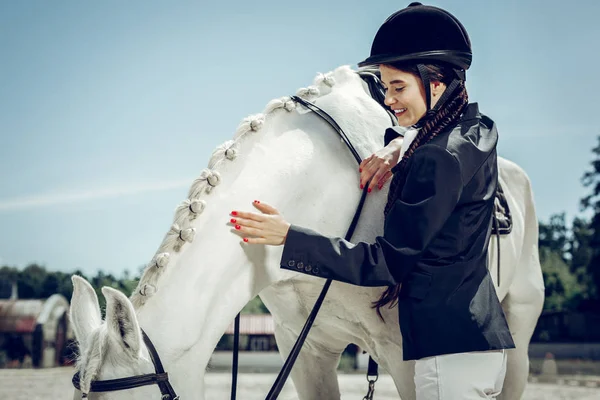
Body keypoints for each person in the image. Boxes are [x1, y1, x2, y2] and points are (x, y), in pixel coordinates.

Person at [229, 2, 515, 398]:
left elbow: (387, 262)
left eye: (399, 87)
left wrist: (289, 237)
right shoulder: (477, 131)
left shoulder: (436, 158)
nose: (390, 101)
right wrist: (401, 144)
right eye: (385, 88)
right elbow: (442, 138)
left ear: (436, 84)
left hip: (446, 353)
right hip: (476, 341)